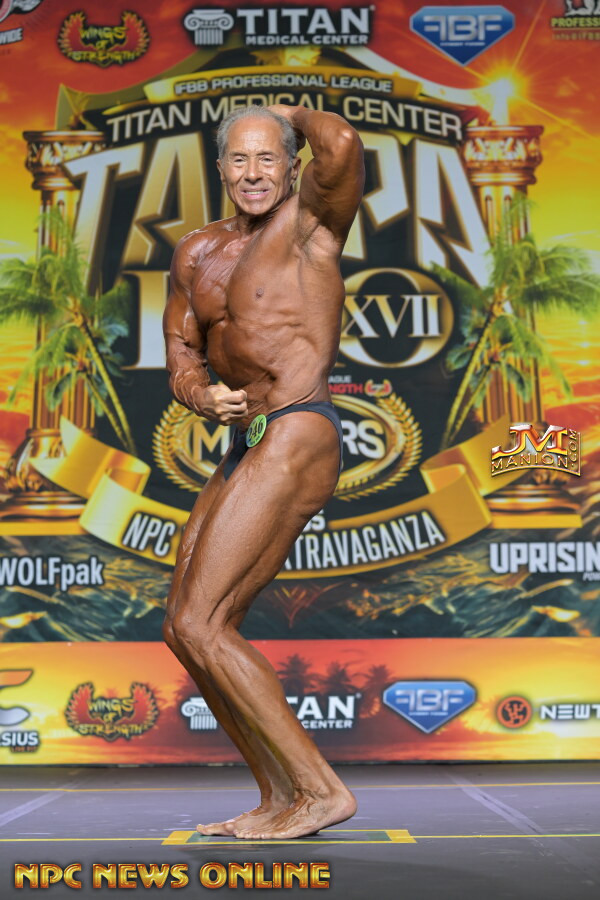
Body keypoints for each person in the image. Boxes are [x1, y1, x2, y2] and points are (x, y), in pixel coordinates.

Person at [162, 103, 364, 840]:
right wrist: (201, 394)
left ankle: (320, 792)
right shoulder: (196, 251)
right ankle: (279, 795)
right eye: (240, 159)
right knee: (183, 628)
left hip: (296, 427)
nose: (253, 173)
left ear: (290, 166)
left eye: (268, 157)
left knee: (203, 620)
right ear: (220, 168)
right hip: (246, 439)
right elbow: (181, 351)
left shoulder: (311, 226)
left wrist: (285, 112)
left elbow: (341, 142)